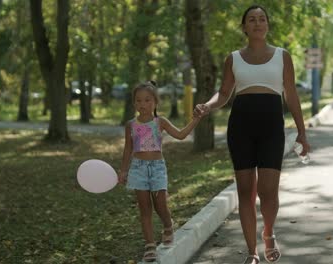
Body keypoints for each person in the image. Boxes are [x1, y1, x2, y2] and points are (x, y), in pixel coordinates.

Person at [193, 5, 310, 264]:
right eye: (251, 20)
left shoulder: (283, 56)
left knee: (268, 192)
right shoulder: (233, 58)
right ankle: (251, 252)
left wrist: (301, 132)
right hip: (241, 128)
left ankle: (268, 232)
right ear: (244, 27)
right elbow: (224, 94)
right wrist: (208, 105)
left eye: (261, 19)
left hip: (271, 128)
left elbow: (290, 94)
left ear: (267, 25)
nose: (257, 23)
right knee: (245, 191)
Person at [118, 81, 200, 262]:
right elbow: (127, 149)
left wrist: (195, 120)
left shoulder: (160, 122)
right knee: (144, 208)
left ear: (155, 102)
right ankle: (149, 245)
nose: (143, 104)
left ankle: (168, 225)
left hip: (157, 168)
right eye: (138, 101)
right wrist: (123, 171)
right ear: (134, 104)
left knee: (160, 204)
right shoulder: (130, 125)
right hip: (138, 168)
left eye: (147, 100)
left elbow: (180, 135)